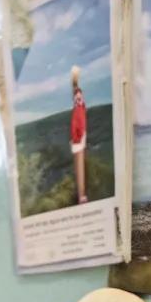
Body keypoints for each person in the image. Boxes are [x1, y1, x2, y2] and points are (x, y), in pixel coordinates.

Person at [70, 65, 88, 204]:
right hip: (78, 136)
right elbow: (78, 120)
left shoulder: (78, 101)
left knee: (79, 166)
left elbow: (78, 119)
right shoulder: (79, 103)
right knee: (79, 167)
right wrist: (78, 137)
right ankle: (81, 197)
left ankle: (81, 196)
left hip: (78, 135)